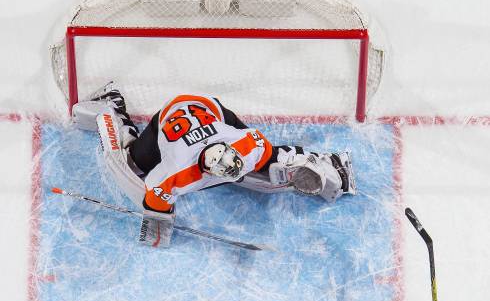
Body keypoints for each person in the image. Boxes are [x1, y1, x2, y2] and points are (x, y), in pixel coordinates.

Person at [72, 83, 356, 245]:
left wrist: (282, 165)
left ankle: (328, 163)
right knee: (133, 165)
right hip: (171, 117)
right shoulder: (175, 173)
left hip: (214, 111)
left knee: (267, 162)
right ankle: (112, 107)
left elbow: (266, 150)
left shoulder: (245, 145)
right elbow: (154, 199)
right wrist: (160, 224)